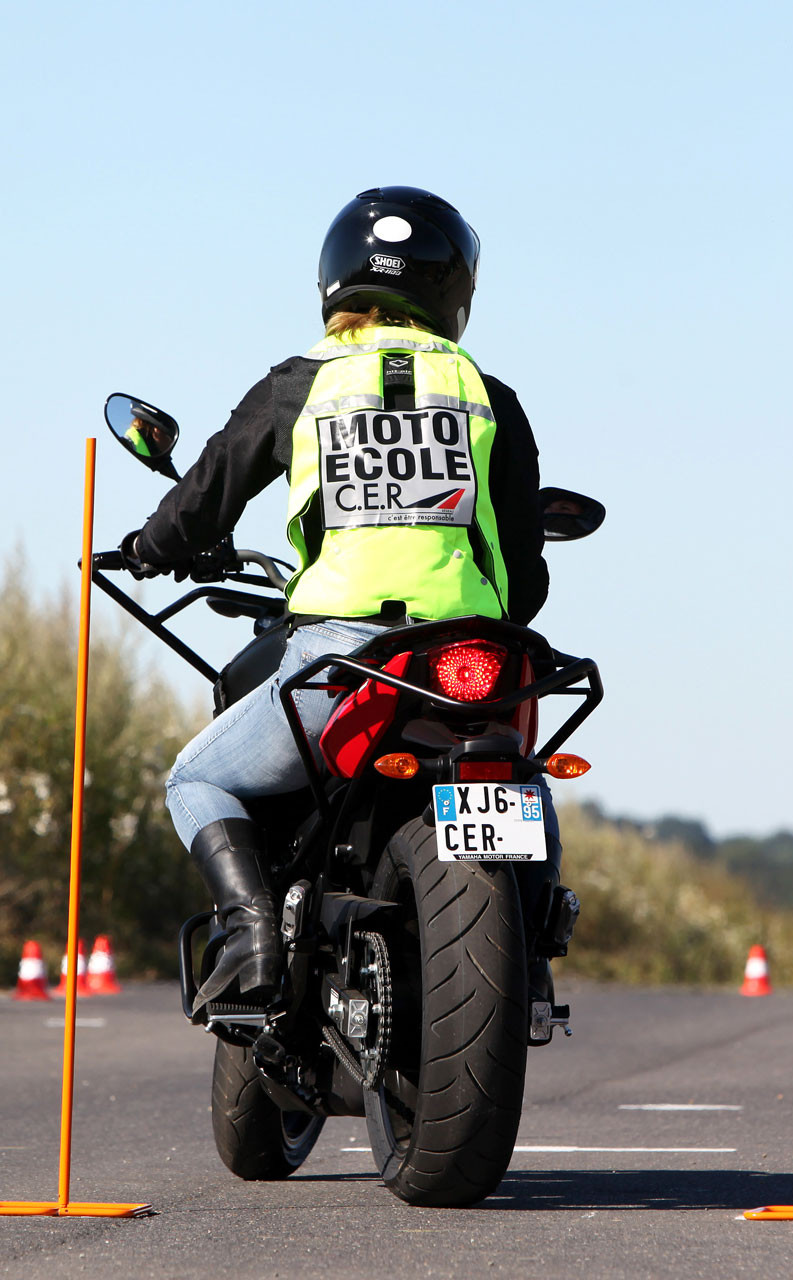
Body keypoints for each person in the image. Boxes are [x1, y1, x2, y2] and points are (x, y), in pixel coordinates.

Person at [122, 186, 554, 1005]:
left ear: (334, 285)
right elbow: (524, 575)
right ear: (453, 290)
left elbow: (204, 499)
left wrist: (149, 548)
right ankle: (530, 956)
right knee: (519, 776)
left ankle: (252, 937)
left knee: (196, 780)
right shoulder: (488, 396)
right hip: (471, 654)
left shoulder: (298, 386)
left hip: (340, 659)